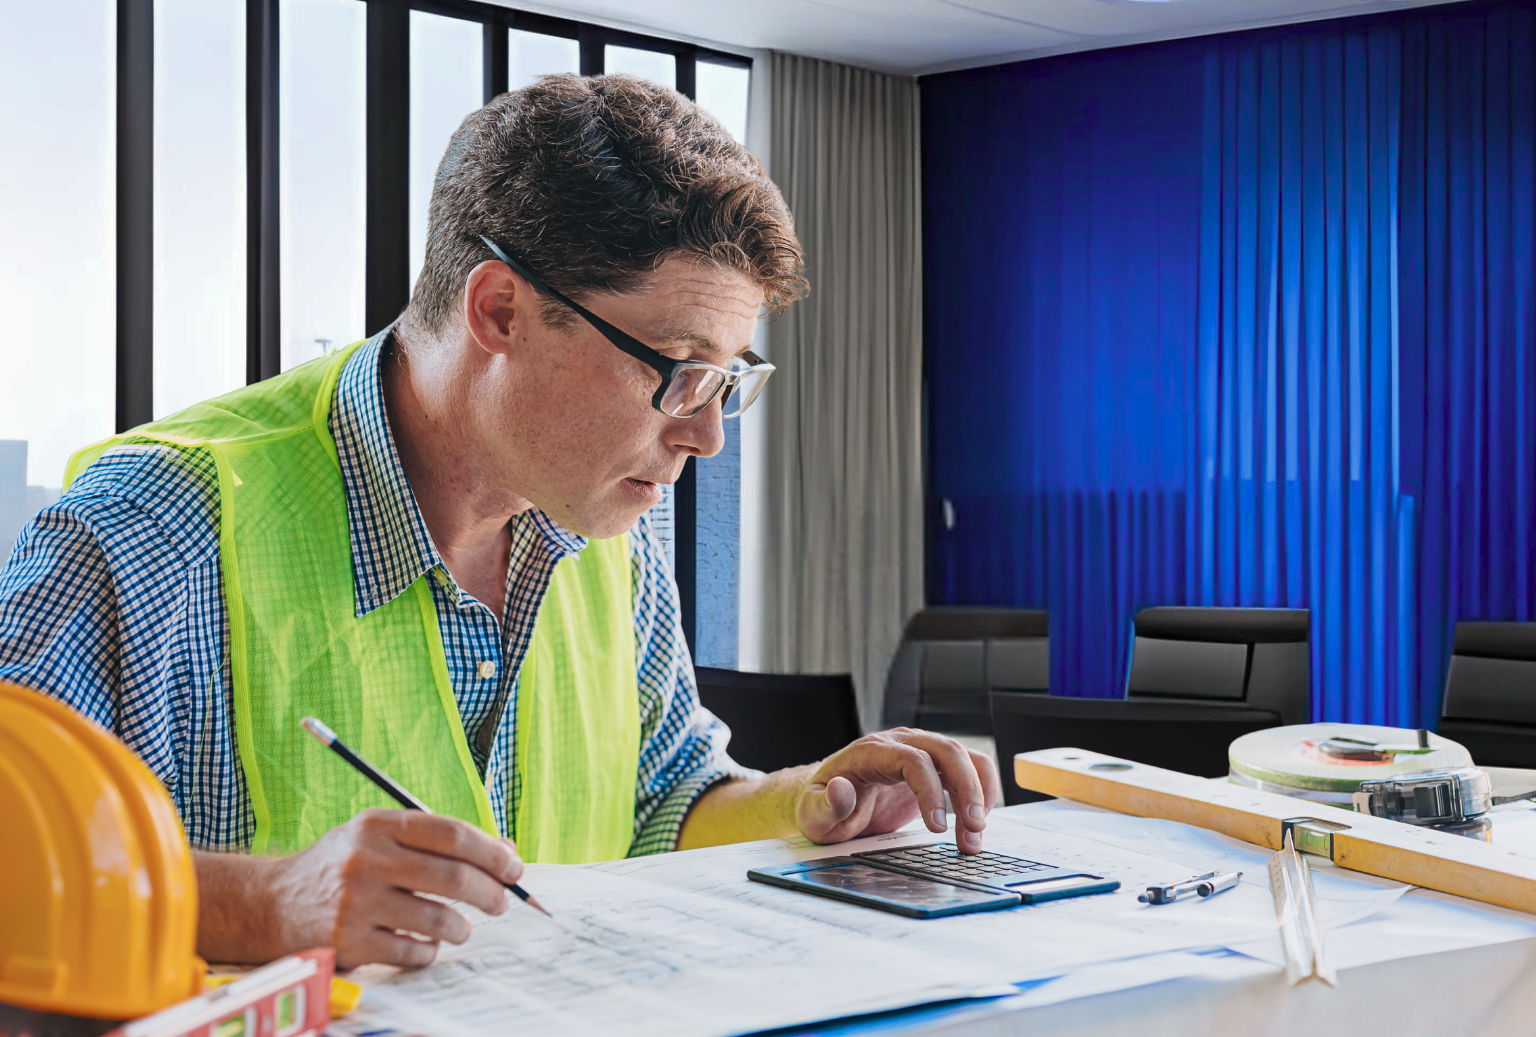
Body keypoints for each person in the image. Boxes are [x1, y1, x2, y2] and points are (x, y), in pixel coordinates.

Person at [0, 73, 999, 970]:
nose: (706, 436)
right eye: (679, 370)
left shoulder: (610, 529)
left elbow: (659, 802)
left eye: (728, 380)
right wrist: (266, 904)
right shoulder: (149, 530)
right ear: (501, 312)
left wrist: (811, 801)